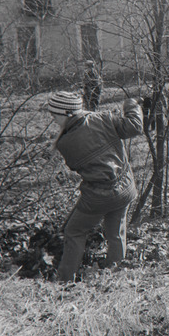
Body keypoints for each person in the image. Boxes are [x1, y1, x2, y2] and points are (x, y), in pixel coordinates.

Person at [48, 90, 143, 281]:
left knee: (74, 231)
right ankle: (115, 274)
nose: (53, 119)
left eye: (54, 115)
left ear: (67, 114)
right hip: (125, 188)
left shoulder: (65, 143)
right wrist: (131, 105)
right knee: (116, 232)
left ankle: (65, 280)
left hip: (98, 197)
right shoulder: (104, 118)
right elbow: (135, 127)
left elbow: (75, 166)